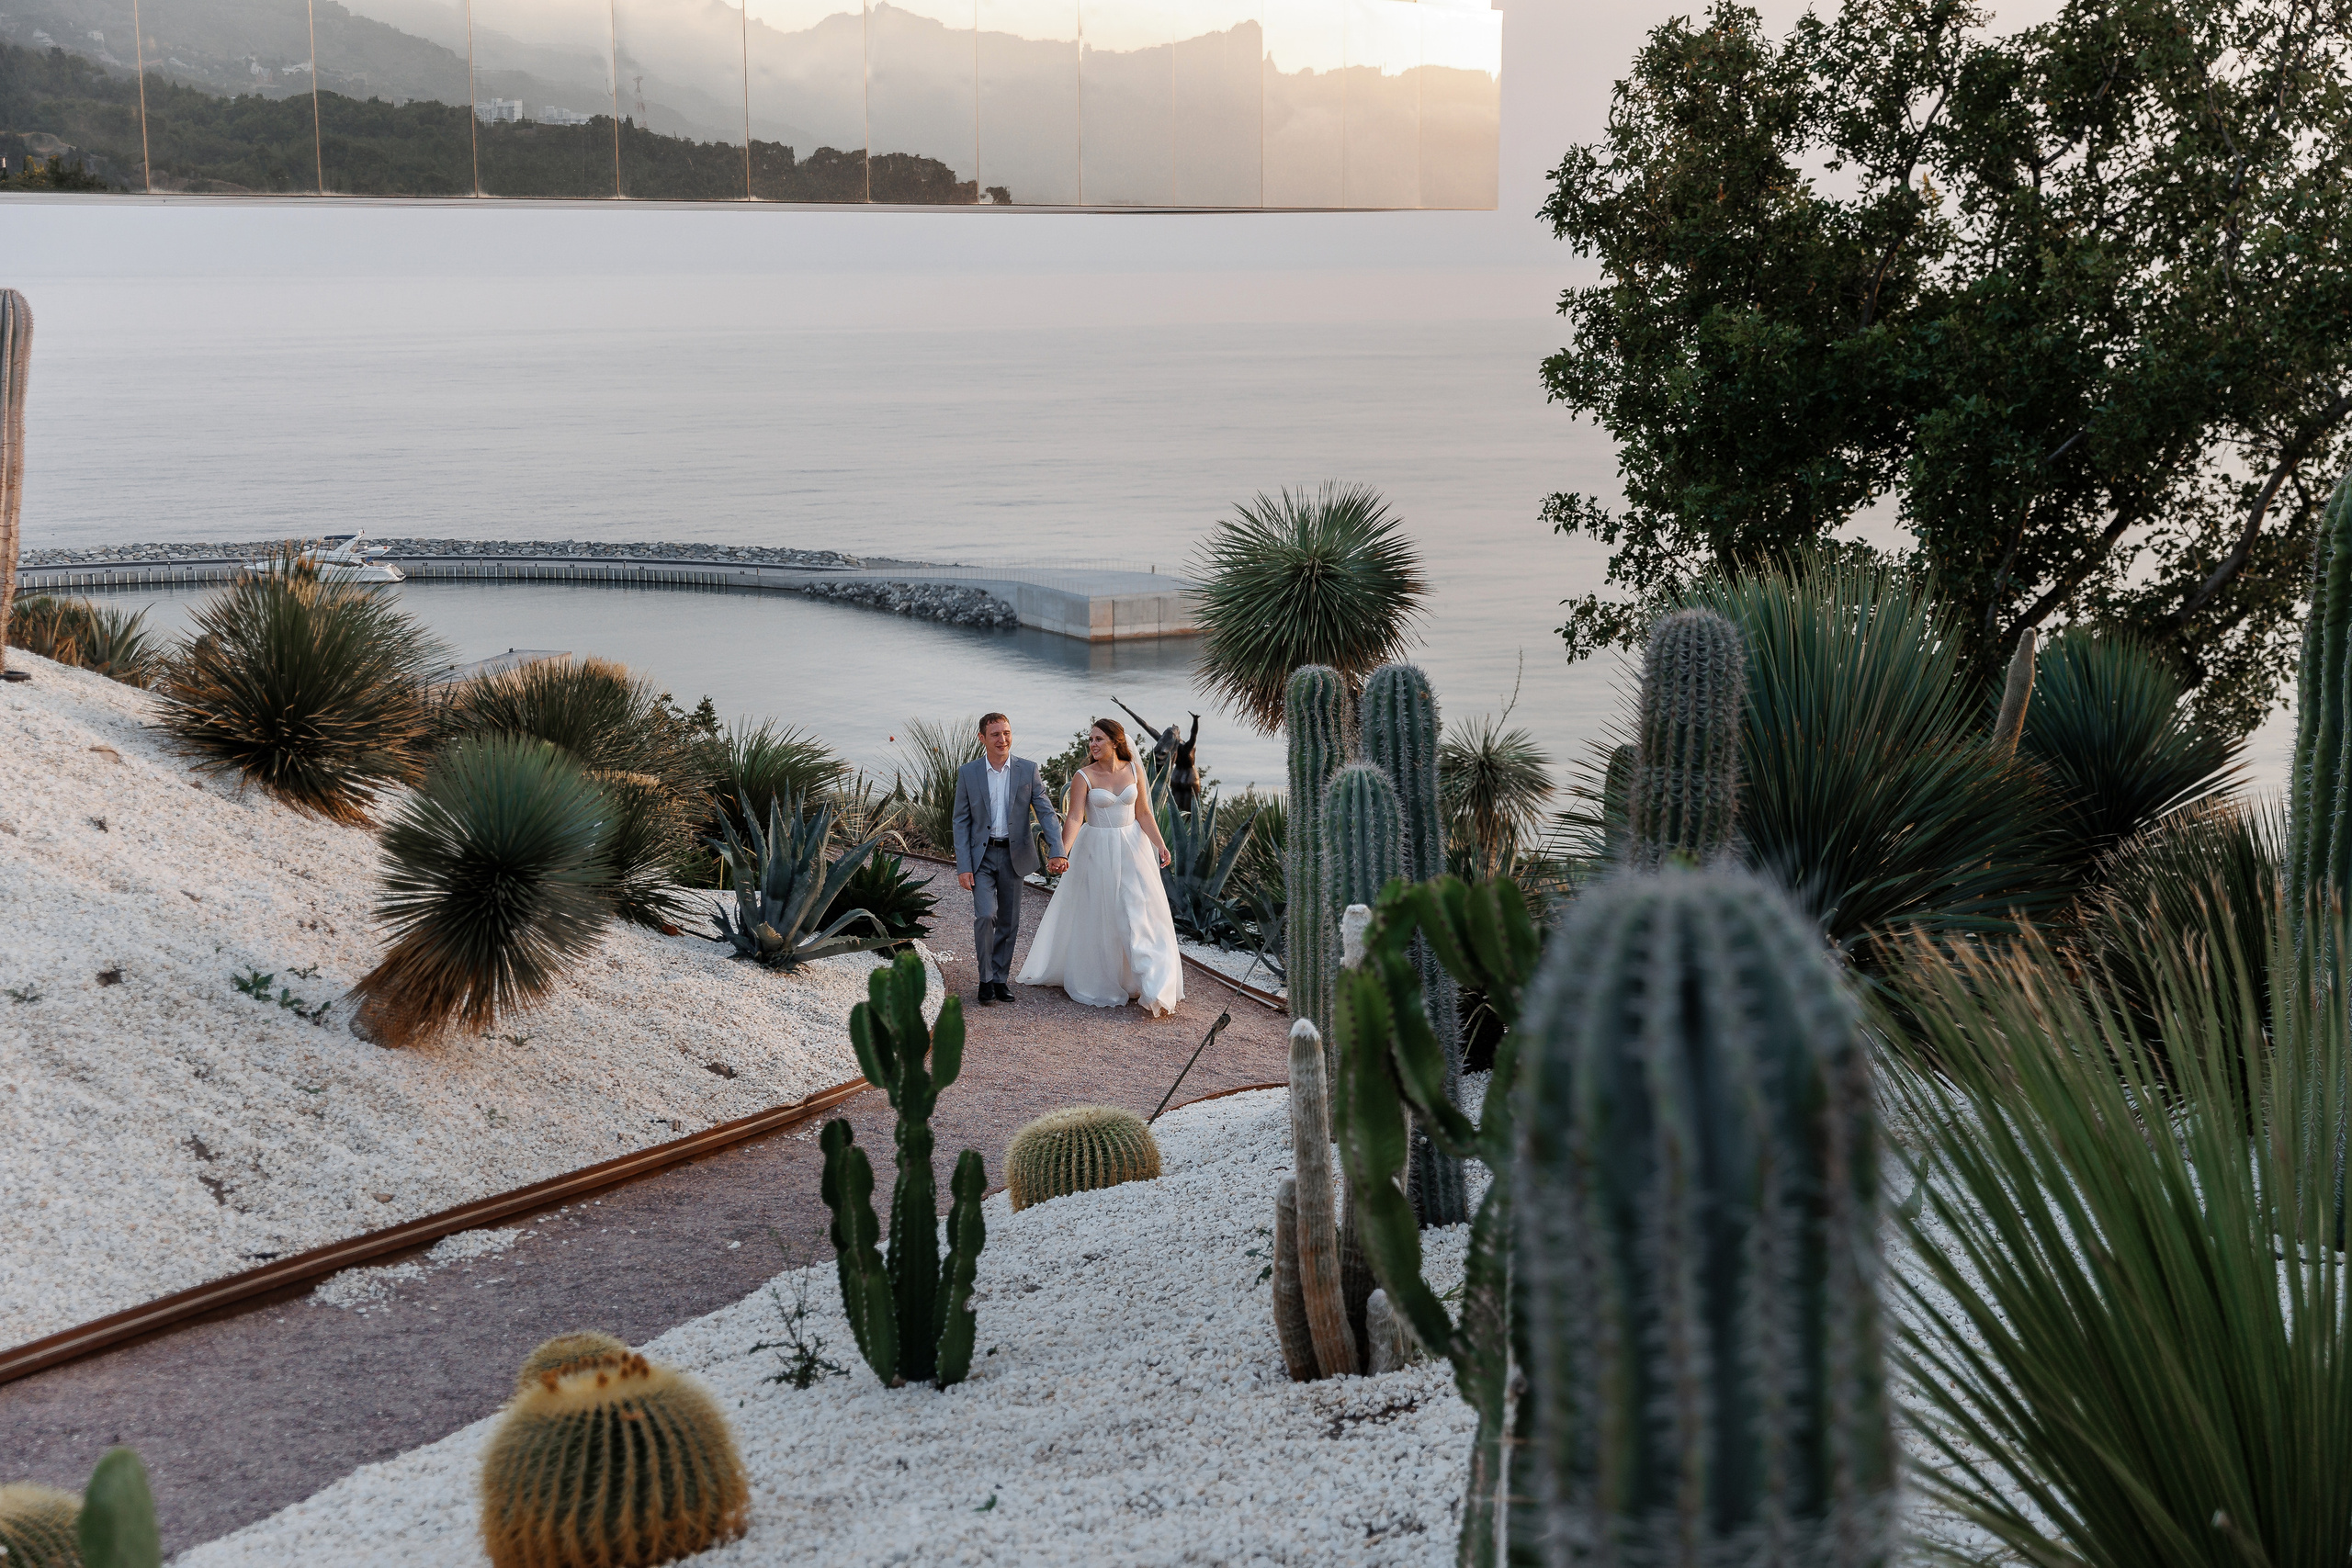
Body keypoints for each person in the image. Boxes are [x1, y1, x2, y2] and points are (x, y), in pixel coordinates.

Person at [1016, 716, 1184, 1017]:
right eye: (1091, 740)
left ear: (1116, 742)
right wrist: (1061, 852)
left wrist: (1160, 844)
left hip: (1133, 849)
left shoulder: (1133, 769)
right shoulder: (1084, 776)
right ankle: (1106, 979)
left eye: (1099, 739)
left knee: (1139, 913)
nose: (1092, 745)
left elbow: (1144, 812)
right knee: (1103, 913)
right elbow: (1074, 818)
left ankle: (1153, 984)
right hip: (1096, 850)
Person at [953, 713, 1068, 1006]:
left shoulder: (1028, 770)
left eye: (1006, 733)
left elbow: (1045, 811)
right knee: (985, 915)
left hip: (1015, 855)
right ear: (982, 738)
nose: (1002, 739)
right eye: (995, 735)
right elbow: (961, 821)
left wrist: (1057, 848)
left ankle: (1000, 980)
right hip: (982, 856)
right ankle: (985, 979)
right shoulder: (968, 773)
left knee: (1009, 920)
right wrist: (963, 866)